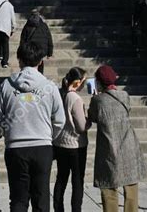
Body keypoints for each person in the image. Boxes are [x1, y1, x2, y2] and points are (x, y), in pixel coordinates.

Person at [0, 42, 66, 212]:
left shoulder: (6, 85)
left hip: (16, 148)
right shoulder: (49, 87)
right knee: (41, 197)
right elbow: (60, 120)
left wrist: (9, 132)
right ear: (41, 61)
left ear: (19, 59)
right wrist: (49, 136)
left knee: (19, 199)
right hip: (42, 147)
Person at [88, 65, 147, 212]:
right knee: (131, 187)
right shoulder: (125, 96)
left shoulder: (98, 100)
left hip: (109, 148)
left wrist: (95, 95)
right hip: (128, 145)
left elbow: (92, 117)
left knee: (109, 188)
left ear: (99, 82)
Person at [53, 67, 89, 212]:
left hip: (60, 143)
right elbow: (81, 126)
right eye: (84, 81)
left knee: (61, 179)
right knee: (77, 181)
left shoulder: (60, 94)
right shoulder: (75, 98)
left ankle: (58, 208)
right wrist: (89, 119)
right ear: (77, 82)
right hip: (76, 145)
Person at [19, 9, 53, 74]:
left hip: (31, 49)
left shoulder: (27, 25)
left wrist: (22, 51)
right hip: (42, 49)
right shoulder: (44, 25)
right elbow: (49, 38)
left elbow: (23, 39)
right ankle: (39, 77)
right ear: (39, 15)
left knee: (30, 64)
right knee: (40, 63)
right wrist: (49, 52)